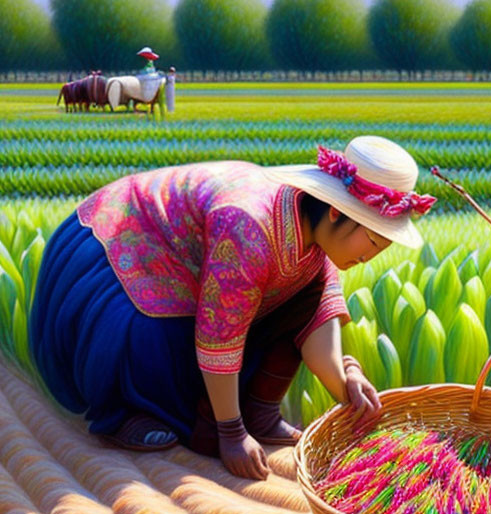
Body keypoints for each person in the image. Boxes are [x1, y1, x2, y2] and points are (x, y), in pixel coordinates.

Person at [29, 136, 436, 480]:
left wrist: (346, 382)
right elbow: (220, 332)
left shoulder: (317, 242)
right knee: (152, 337)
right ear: (335, 211)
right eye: (373, 241)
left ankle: (260, 411)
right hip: (126, 243)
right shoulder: (249, 225)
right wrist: (231, 432)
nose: (373, 255)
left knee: (300, 303)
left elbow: (316, 320)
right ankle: (126, 411)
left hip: (193, 259)